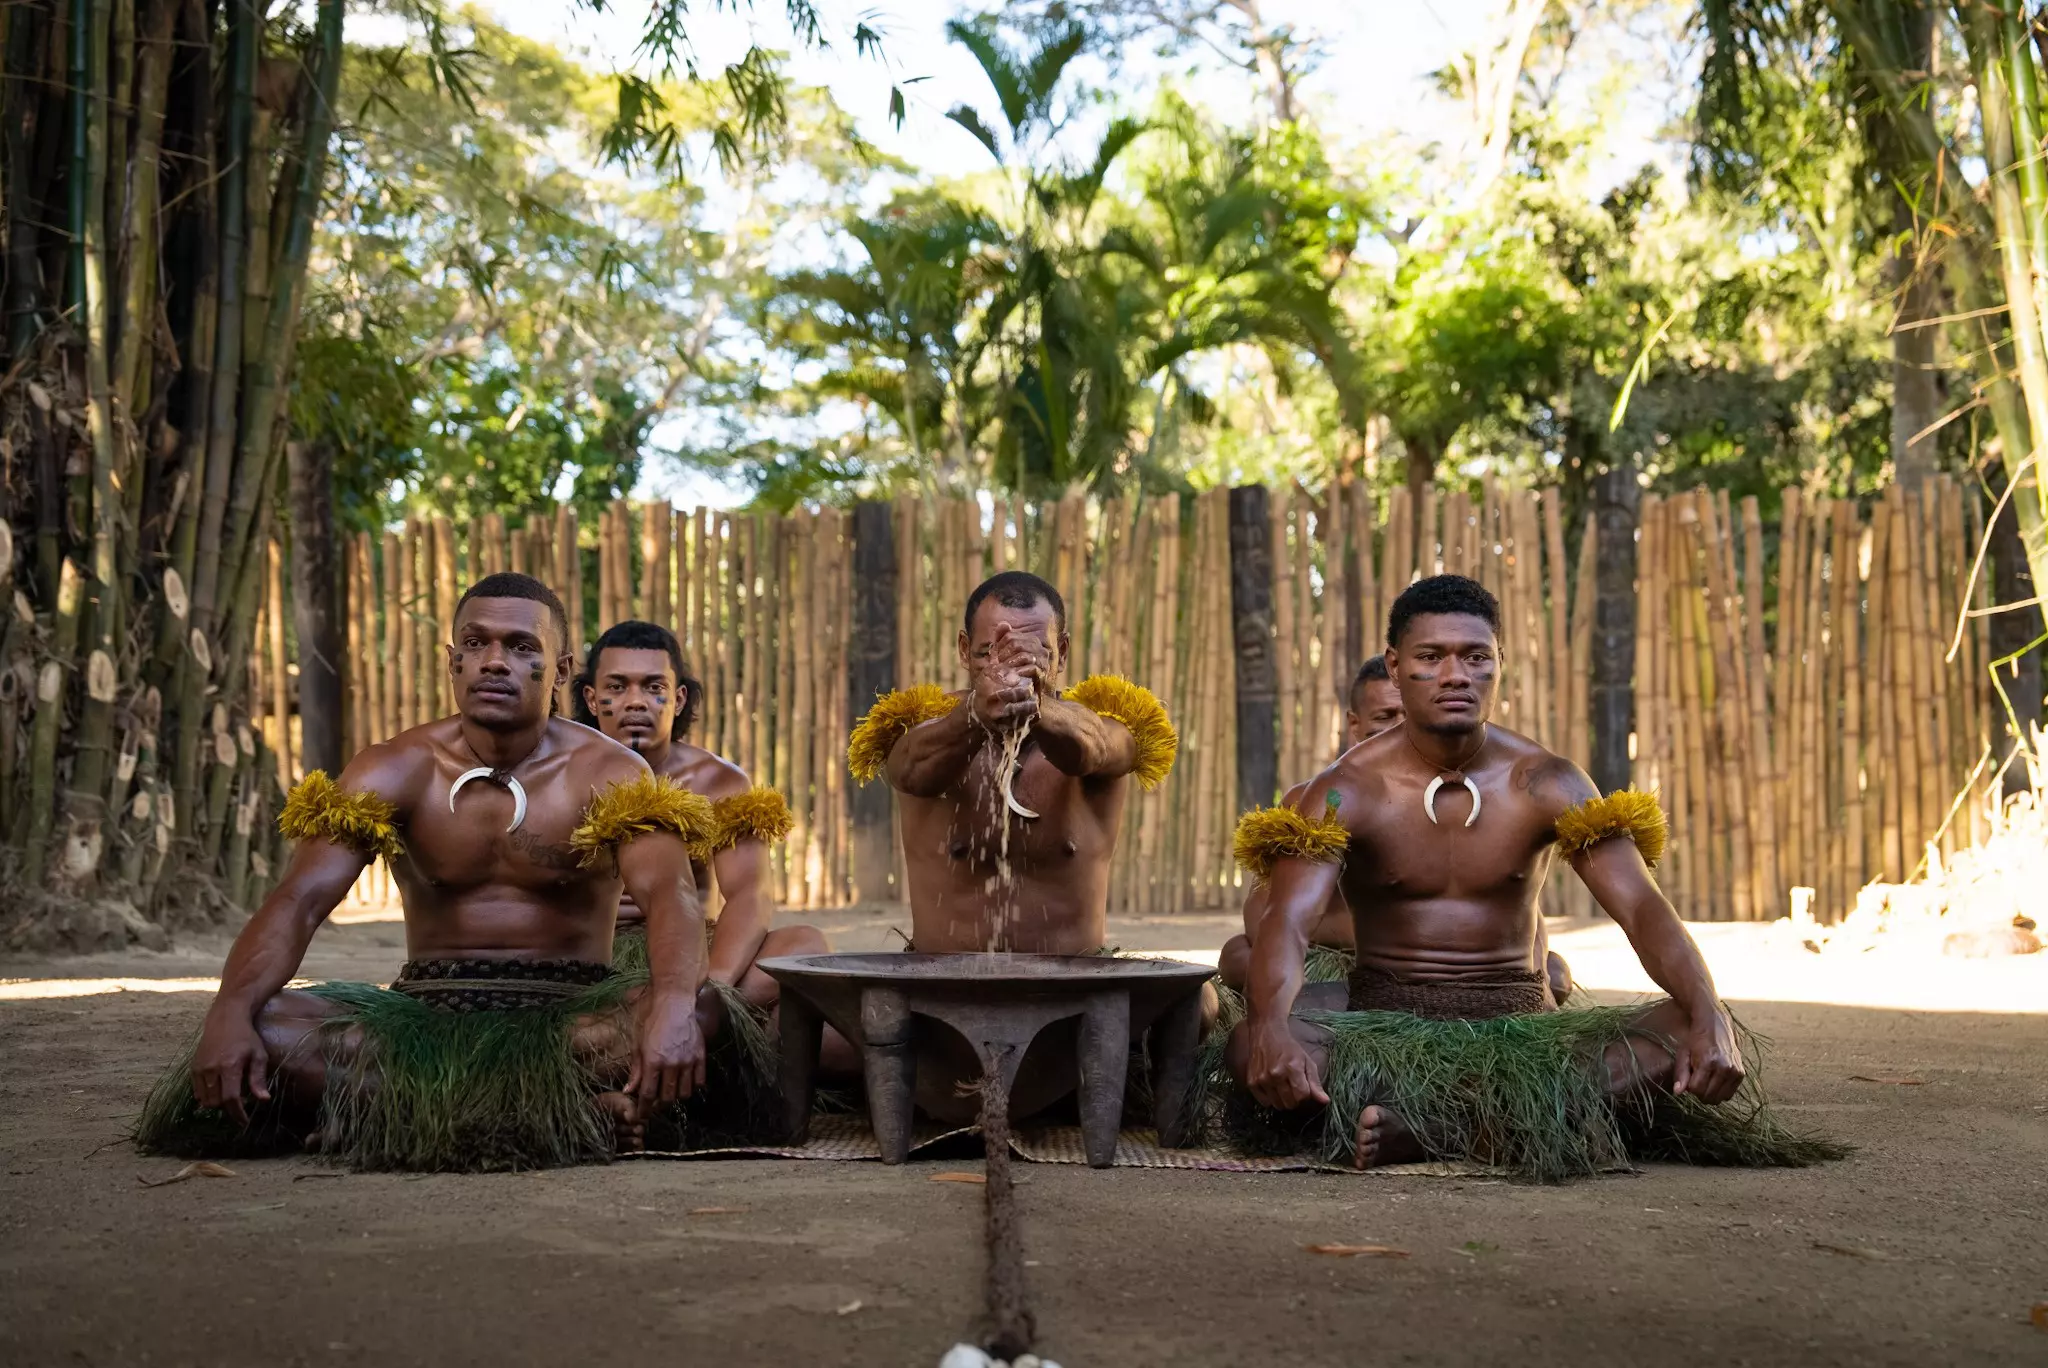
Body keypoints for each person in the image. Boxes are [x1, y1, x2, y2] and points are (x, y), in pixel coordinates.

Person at [1223, 574, 1843, 1180]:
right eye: (1431, 657)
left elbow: (1643, 909)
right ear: (1393, 666)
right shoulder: (1343, 791)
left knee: (1685, 1027)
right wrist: (1275, 1027)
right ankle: (1502, 1124)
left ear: (1499, 667)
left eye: (1476, 658)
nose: (1456, 675)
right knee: (1250, 1044)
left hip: (1521, 1029)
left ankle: (1435, 1128)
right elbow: (1289, 920)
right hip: (1387, 1020)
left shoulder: (1548, 782)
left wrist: (1709, 1010)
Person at [136, 574, 716, 1171]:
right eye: (475, 643)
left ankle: (391, 1116)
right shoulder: (394, 767)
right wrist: (229, 1010)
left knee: (704, 1009)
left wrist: (671, 1002)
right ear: (452, 660)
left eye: (521, 647)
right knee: (269, 1024)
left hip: (571, 1021)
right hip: (424, 1018)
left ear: (562, 669)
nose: (494, 662)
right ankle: (559, 1115)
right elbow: (299, 901)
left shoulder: (611, 772)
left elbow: (672, 898)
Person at [846, 571, 1177, 1122]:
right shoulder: (922, 727)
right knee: (808, 1025)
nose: (1006, 672)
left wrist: (1035, 702)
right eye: (988, 655)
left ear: (1062, 651)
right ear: (961, 650)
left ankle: (1125, 1095)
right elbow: (909, 770)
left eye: (1031, 656)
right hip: (940, 1010)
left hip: (1073, 1011)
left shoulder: (1107, 727)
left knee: (1201, 1005)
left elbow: (1095, 749)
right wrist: (975, 714)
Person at [1219, 654, 1574, 1003]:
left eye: (1407, 716)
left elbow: (1525, 909)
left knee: (1553, 971)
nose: (1399, 729)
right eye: (1385, 717)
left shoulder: (1473, 799)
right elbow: (1261, 914)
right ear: (1354, 725)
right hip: (1334, 962)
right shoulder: (1319, 799)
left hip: (1446, 972)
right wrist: (1390, 937)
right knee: (1238, 957)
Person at [576, 620, 838, 1062]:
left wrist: (705, 990)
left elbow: (748, 895)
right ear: (590, 698)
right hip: (596, 964)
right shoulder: (565, 774)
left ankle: (683, 1022)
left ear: (678, 699)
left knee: (804, 946)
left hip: (696, 955)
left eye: (653, 686)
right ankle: (668, 1032)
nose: (635, 701)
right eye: (617, 687)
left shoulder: (719, 782)